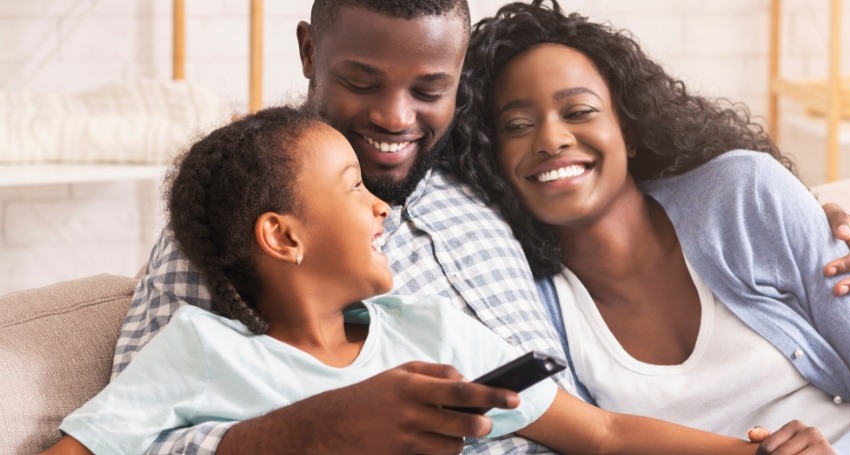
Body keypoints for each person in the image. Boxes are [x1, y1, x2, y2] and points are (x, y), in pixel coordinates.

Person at [112, 1, 850, 454]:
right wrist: (305, 432)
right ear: (310, 51)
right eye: (361, 81)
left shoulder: (492, 184)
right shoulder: (233, 224)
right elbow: (129, 433)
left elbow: (623, 184)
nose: (395, 117)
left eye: (430, 88)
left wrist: (816, 225)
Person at [45, 105, 778, 455]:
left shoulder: (428, 329)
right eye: (351, 186)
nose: (379, 206)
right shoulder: (199, 350)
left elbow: (606, 432)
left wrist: (758, 452)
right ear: (284, 236)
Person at [448, 1, 850, 454]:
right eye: (518, 125)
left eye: (579, 111)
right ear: (492, 157)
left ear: (626, 130)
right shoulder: (534, 306)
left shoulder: (742, 196)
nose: (552, 138)